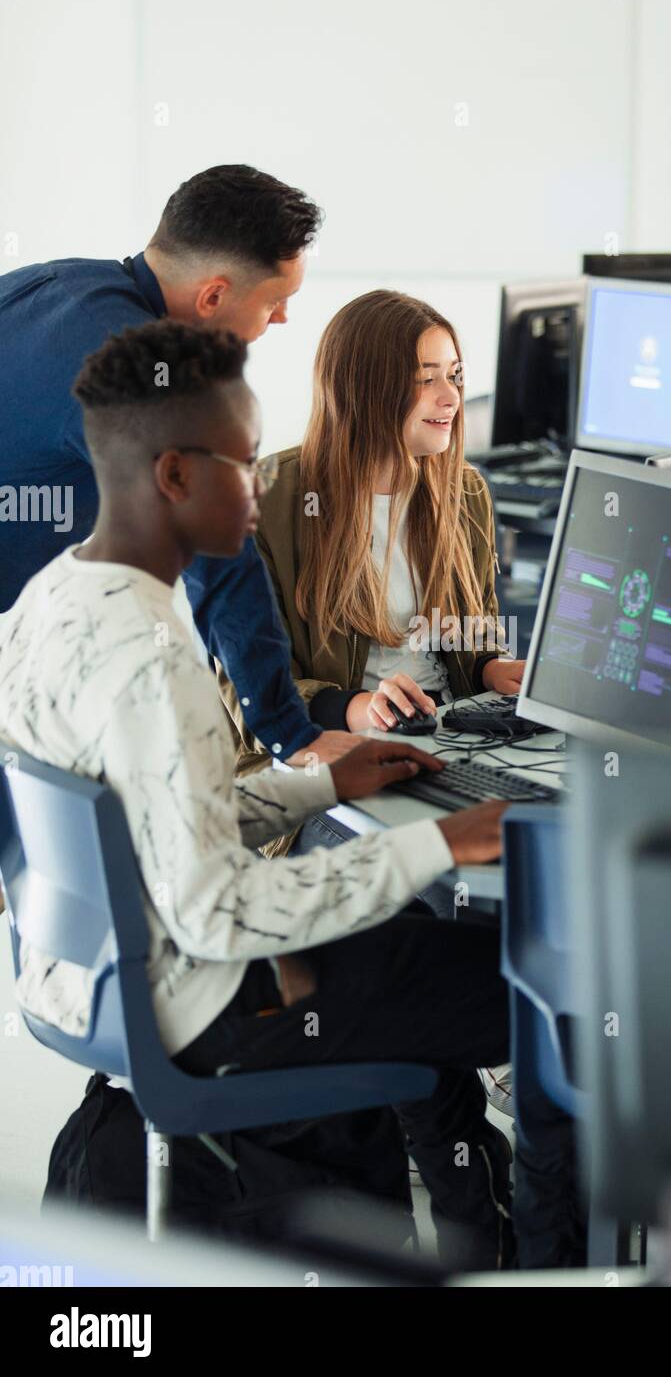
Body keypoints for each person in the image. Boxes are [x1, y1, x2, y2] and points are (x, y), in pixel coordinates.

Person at [0, 319, 516, 1269]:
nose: (264, 488)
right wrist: (441, 844)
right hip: (198, 1001)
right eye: (243, 465)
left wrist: (317, 783)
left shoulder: (52, 601)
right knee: (530, 978)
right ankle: (548, 1258)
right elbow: (220, 910)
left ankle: (469, 1237)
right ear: (175, 478)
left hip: (88, 980)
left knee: (425, 967)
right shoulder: (157, 664)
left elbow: (148, 827)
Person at [0, 163, 336, 769]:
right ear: (213, 296)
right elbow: (222, 554)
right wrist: (291, 733)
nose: (282, 319)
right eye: (275, 302)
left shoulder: (51, 285)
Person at [217, 289, 524, 870]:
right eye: (424, 378)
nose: (450, 397)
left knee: (532, 848)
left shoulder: (466, 494)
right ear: (363, 388)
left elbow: (474, 632)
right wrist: (359, 708)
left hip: (445, 743)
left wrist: (491, 667)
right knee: (436, 872)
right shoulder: (266, 501)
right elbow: (245, 694)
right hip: (317, 771)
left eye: (455, 375)